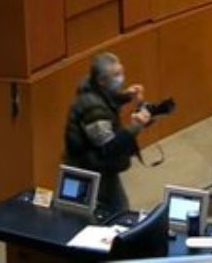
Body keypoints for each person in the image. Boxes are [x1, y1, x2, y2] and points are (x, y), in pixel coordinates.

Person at [64, 52, 151, 213]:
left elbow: (107, 99)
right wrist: (134, 127)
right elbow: (108, 147)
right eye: (116, 75)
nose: (121, 78)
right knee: (116, 212)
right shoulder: (92, 109)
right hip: (90, 171)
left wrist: (125, 96)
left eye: (121, 72)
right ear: (102, 81)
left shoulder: (94, 89)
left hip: (98, 166)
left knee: (118, 209)